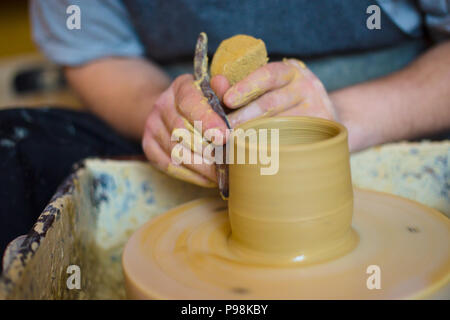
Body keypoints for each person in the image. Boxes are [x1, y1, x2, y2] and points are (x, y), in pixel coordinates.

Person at [0, 0, 449, 261]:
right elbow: (92, 47)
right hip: (166, 102)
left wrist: (343, 117)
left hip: (390, 106)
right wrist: (161, 114)